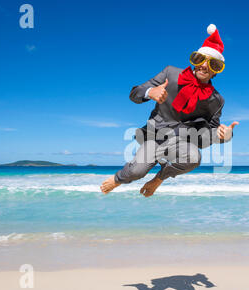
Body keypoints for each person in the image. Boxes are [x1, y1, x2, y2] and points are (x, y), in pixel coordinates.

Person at [101, 24, 238, 197]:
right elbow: (135, 94)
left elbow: (207, 135)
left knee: (194, 158)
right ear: (195, 60)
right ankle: (118, 179)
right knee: (136, 173)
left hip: (183, 143)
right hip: (155, 136)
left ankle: (159, 178)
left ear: (216, 71)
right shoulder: (170, 74)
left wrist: (224, 136)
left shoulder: (216, 100)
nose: (205, 66)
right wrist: (151, 93)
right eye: (200, 59)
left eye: (213, 64)